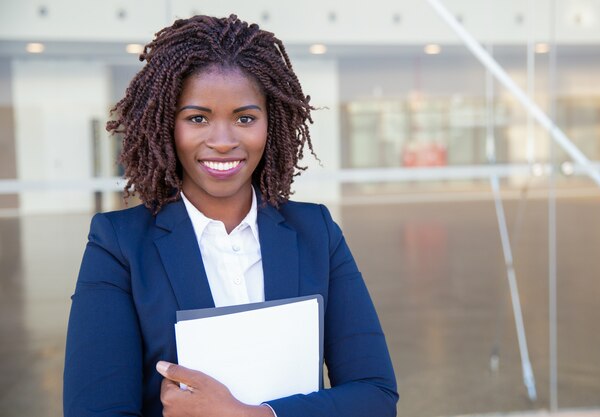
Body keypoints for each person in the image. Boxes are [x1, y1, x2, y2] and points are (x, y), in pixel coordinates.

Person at [63, 14, 398, 417]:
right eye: (197, 118)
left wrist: (248, 415)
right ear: (168, 126)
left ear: (269, 124)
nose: (222, 142)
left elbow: (375, 396)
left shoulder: (317, 233)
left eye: (245, 118)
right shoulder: (118, 245)